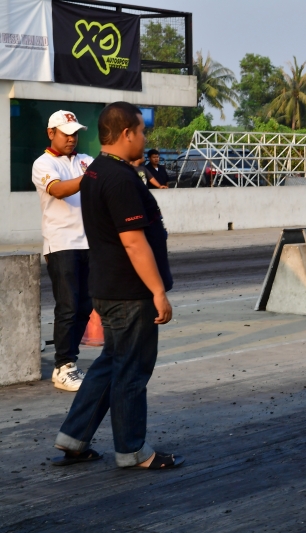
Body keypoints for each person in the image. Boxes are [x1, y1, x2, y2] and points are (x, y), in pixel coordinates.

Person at [52, 102, 183, 469]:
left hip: (107, 286)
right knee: (131, 370)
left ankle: (73, 437)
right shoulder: (120, 178)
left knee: (111, 363)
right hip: (130, 292)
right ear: (126, 133)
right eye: (141, 131)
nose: (144, 138)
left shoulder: (95, 172)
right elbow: (133, 241)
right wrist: (158, 291)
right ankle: (132, 451)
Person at [32, 110, 95, 392]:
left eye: (75, 133)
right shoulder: (43, 163)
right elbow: (58, 190)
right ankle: (62, 366)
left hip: (89, 243)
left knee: (85, 305)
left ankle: (71, 362)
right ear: (51, 133)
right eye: (65, 133)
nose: (71, 138)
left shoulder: (86, 161)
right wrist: (92, 179)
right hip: (61, 244)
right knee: (68, 307)